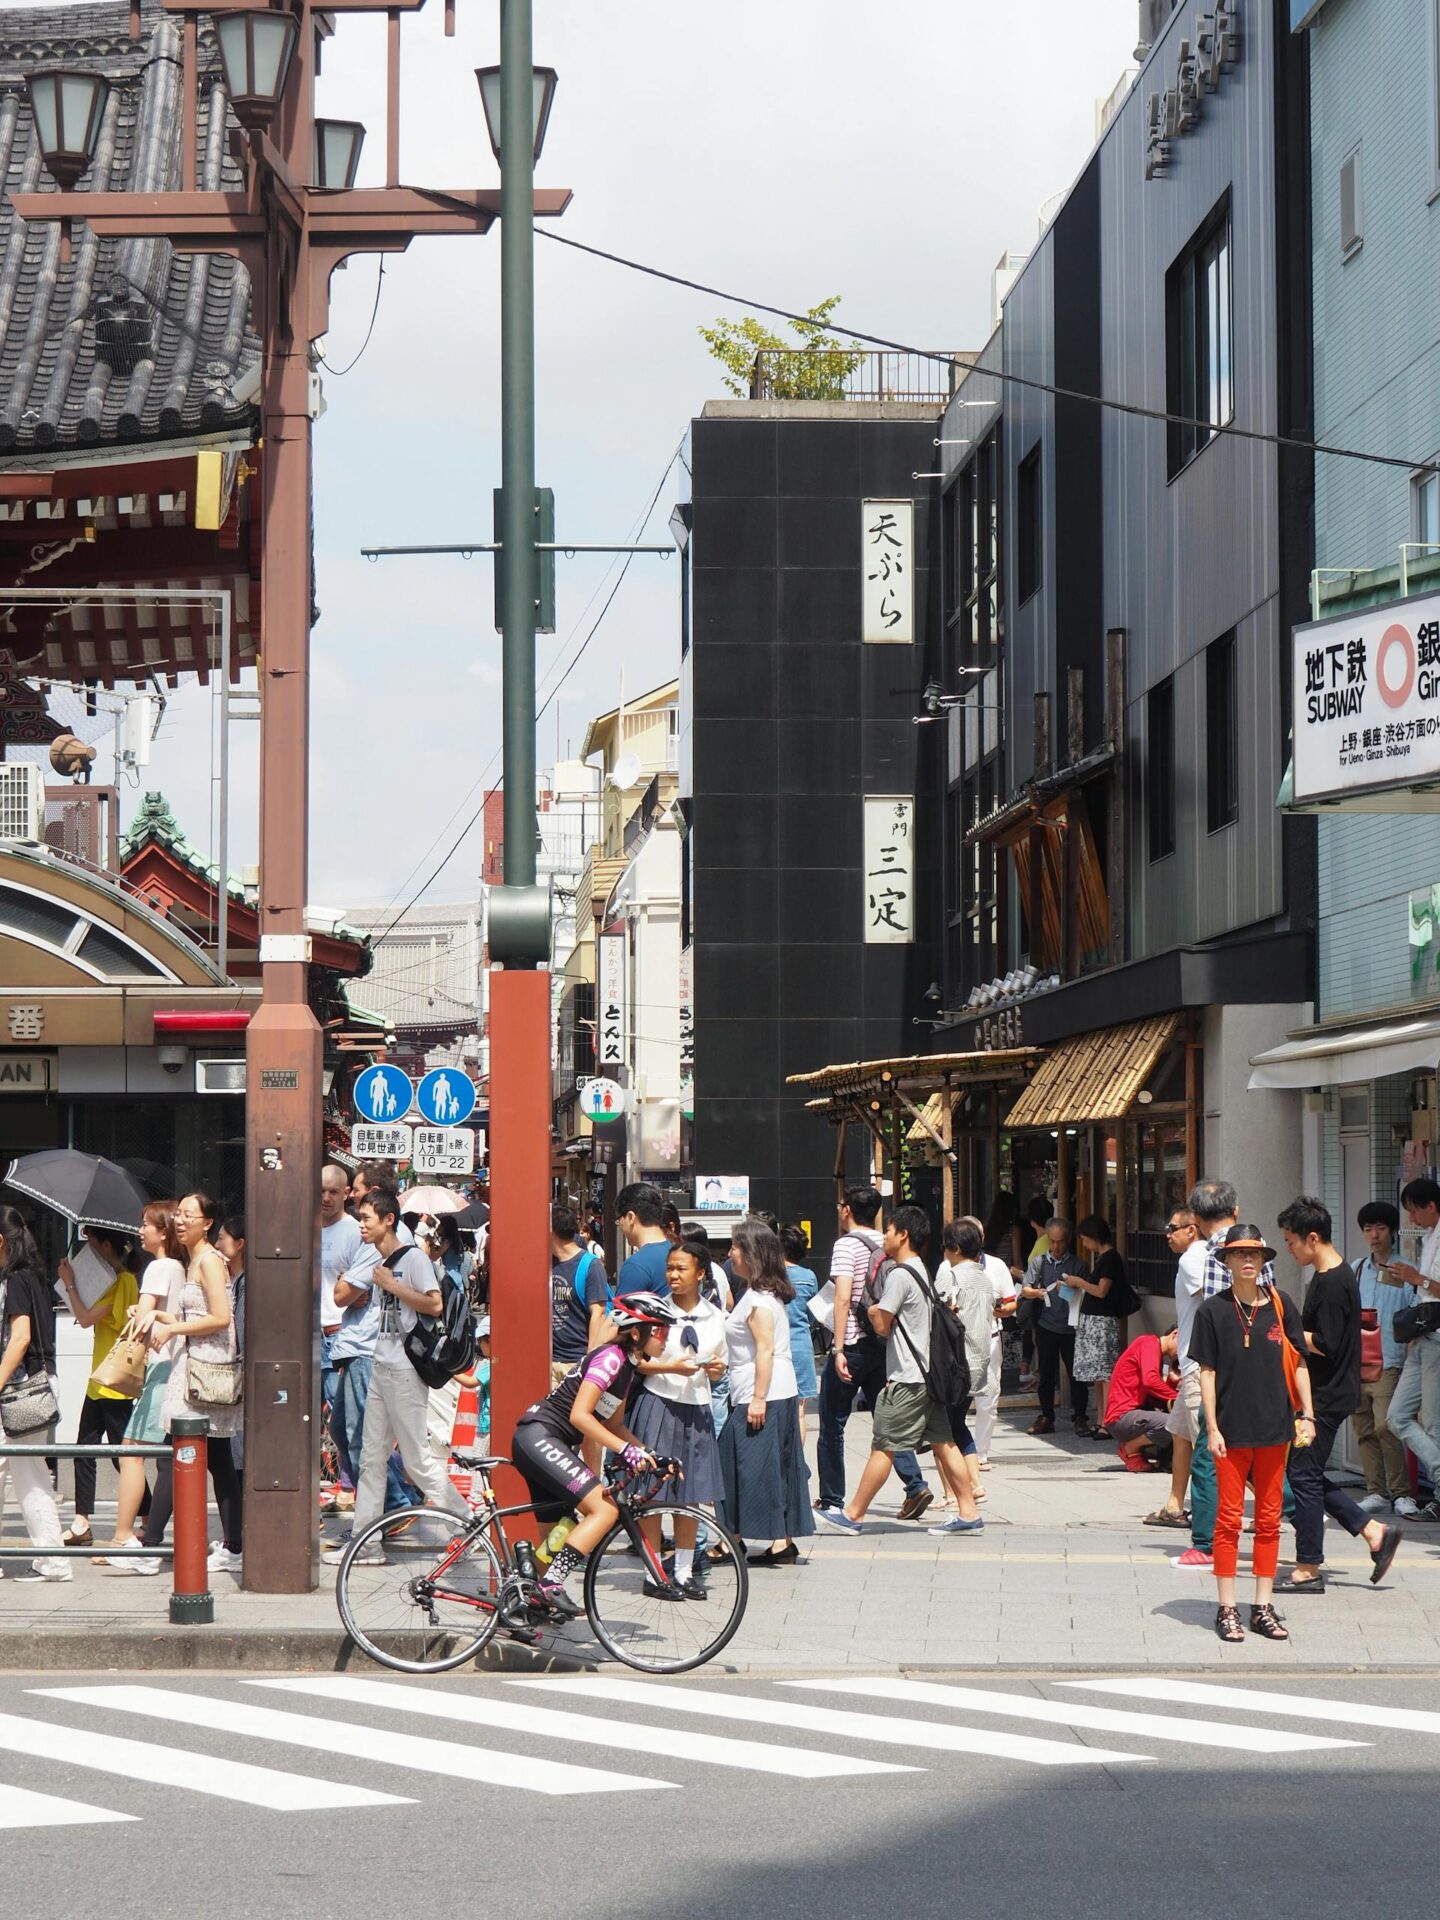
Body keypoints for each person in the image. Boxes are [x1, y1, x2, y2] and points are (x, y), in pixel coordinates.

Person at [819, 1205, 982, 1539]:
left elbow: (882, 1326)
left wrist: (876, 1310)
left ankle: (853, 1513)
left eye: (890, 1231)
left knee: (884, 1444)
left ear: (903, 1235)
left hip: (908, 1377)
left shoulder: (899, 1274)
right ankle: (969, 1512)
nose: (885, 1237)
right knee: (945, 1442)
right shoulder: (922, 1268)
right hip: (927, 1373)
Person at [323, 1186, 468, 1561]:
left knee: (417, 1460)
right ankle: (367, 1543)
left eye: (367, 1219)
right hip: (381, 1366)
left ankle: (466, 1522)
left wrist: (393, 1286)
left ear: (389, 1220)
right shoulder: (377, 1259)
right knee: (371, 1458)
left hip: (406, 1372)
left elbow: (434, 1305)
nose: (361, 1226)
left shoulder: (414, 1259)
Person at [512, 1292, 677, 1613]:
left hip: (546, 1441)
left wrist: (652, 1455)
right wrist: (627, 1452)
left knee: (556, 1535)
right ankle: (551, 1585)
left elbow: (615, 1426)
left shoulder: (627, 1367)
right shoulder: (611, 1358)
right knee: (604, 1509)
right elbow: (580, 1416)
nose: (665, 1338)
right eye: (660, 1331)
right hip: (540, 1436)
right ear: (635, 1332)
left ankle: (525, 1602)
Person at [1190, 1226, 1314, 1643]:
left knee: (1269, 1520)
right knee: (1227, 1520)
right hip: (1230, 1429)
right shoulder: (1212, 1311)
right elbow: (1206, 1371)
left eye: (1255, 1254)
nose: (1248, 1260)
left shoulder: (1281, 1305)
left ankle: (1261, 1606)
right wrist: (1210, 1425)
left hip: (1275, 1428)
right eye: (1239, 1253)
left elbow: (1298, 1363)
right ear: (1225, 1261)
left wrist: (1308, 1415)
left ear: (1264, 1261)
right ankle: (1227, 1608)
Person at [113, 1192, 245, 1577]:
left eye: (190, 1215)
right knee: (218, 1461)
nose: (182, 1221)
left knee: (179, 1453)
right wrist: (155, 1314)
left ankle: (151, 1546)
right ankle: (232, 1545)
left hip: (206, 1371)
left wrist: (173, 1327)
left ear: (207, 1223)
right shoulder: (195, 1262)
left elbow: (222, 1318)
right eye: (180, 1215)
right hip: (200, 1370)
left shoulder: (209, 1263)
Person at [1278, 1196, 1402, 1595]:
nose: (1290, 1249)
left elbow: (1328, 1342)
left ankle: (1308, 1566)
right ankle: (1373, 1531)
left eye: (1292, 1241)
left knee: (1302, 1475)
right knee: (1306, 1471)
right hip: (1329, 1393)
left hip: (1326, 1397)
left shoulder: (1331, 1282)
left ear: (1312, 1238)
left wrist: (1287, 1333)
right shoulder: (1334, 1271)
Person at [815, 1185, 931, 1522]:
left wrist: (837, 1348)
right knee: (890, 1423)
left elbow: (842, 1298)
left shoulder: (846, 1245)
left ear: (847, 1210)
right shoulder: (887, 1241)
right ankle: (914, 1484)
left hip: (852, 1343)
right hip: (882, 1343)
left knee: (833, 1424)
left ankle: (832, 1499)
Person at [628, 1240, 726, 1595]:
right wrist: (671, 1366)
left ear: (700, 1273)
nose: (673, 1275)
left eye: (681, 1269)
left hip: (697, 1408)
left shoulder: (716, 1317)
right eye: (670, 1268)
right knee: (652, 1494)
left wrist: (715, 1370)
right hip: (659, 1403)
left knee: (690, 1494)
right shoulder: (655, 1313)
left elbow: (719, 1366)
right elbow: (636, 1360)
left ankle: (683, 1573)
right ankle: (654, 1573)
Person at [1173, 1180, 1260, 1572]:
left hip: (1213, 1369)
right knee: (1257, 1456)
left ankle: (1206, 1542)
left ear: (1194, 1217)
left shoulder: (1206, 1255)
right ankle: (1316, 1507)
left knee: (1211, 1454)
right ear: (1236, 1209)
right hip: (1252, 1365)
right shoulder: (1258, 1249)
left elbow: (1215, 1314)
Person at [718, 1219, 813, 1563]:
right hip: (777, 1390)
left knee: (738, 1463)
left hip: (761, 1393)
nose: (730, 1253)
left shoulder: (758, 1300)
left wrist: (757, 1398)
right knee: (776, 1465)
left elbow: (765, 1349)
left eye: (734, 1247)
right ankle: (779, 1541)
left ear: (751, 1253)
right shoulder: (763, 1294)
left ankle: (733, 1537)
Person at [98, 1202, 186, 1559]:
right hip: (174, 1368)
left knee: (131, 1452)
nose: (140, 1231)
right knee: (166, 1458)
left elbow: (141, 1324)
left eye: (145, 1225)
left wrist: (137, 1311)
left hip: (160, 1370)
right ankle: (145, 1532)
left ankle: (123, 1536)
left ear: (162, 1232)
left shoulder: (158, 1268)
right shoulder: (179, 1267)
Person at [57, 1227, 147, 1548]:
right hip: (101, 1381)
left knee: (119, 1455)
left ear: (106, 1244)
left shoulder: (121, 1282)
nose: (89, 1250)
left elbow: (84, 1317)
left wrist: (68, 1282)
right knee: (87, 1449)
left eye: (92, 1243)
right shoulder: (121, 1280)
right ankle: (82, 1521)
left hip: (113, 1384)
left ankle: (149, 1516)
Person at [0, 1206, 67, 1581]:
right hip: (36, 1384)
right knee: (29, 1473)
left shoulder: (17, 1279)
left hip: (19, 1390)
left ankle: (53, 1560)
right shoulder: (34, 1277)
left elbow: (21, 1338)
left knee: (29, 1474)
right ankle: (50, 1558)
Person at [1378, 1177, 1440, 1519]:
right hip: (1423, 1334)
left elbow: (1433, 1287)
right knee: (1396, 1417)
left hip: (1436, 1337)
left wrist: (1417, 1279)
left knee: (1431, 1423)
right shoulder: (1431, 1236)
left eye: (1415, 1210)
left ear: (1431, 1206)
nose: (1412, 1218)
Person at [1352, 1200, 1417, 1516]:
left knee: (1386, 1427)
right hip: (1358, 1362)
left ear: (1392, 1231)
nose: (1374, 1235)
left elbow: (1416, 1317)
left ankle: (1402, 1493)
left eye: (1380, 1228)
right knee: (1364, 1428)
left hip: (1391, 1362)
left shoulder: (1404, 1271)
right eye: (1368, 1229)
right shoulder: (1357, 1269)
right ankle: (1375, 1490)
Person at [935, 1218, 998, 1508]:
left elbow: (937, 1313)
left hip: (952, 1364)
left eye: (947, 1246)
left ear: (955, 1248)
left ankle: (955, 1493)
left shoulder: (953, 1275)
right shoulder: (985, 1278)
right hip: (976, 1362)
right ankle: (975, 1484)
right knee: (957, 1424)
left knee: (942, 1429)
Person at [1148, 1209, 1199, 1526]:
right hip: (1192, 1365)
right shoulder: (1193, 1258)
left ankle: (1277, 1503)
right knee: (1180, 1433)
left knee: (1213, 1446)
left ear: (1193, 1229)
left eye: (1173, 1228)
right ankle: (1174, 1505)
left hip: (1200, 1367)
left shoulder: (1194, 1259)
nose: (1168, 1234)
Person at [1019, 1218, 1088, 1435]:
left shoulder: (1078, 1265)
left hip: (1071, 1327)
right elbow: (1025, 1289)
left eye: (1061, 1242)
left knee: (1076, 1374)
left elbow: (1085, 1294)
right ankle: (1047, 1416)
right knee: (1046, 1374)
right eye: (1053, 1241)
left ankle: (1080, 1416)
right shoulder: (1039, 1263)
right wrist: (1038, 1293)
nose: (1056, 1247)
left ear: (1068, 1241)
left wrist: (1070, 1288)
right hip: (1045, 1325)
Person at [319, 1161, 361, 1510]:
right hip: (306, 1335)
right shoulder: (307, 1228)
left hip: (337, 1335)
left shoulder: (353, 1232)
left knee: (344, 1422)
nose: (326, 1198)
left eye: (334, 1191)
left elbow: (358, 1288)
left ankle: (351, 1487)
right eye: (321, 1191)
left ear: (347, 1194)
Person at [960, 1213, 1016, 1468]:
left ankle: (981, 1453)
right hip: (958, 1341)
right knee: (955, 1401)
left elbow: (1011, 1300)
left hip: (989, 1338)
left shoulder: (996, 1266)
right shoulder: (947, 1266)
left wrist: (1002, 1309)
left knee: (988, 1400)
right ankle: (958, 1449)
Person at [1071, 1216, 1130, 1439]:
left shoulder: (1110, 1259)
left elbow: (1101, 1291)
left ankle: (1108, 1421)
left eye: (1086, 1239)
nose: (1085, 1244)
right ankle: (1100, 1419)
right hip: (1094, 1322)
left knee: (1105, 1372)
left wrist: (1078, 1282)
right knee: (1098, 1373)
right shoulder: (1104, 1258)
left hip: (1102, 1323)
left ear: (1095, 1237)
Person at [550, 1202, 611, 1385]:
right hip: (550, 1360)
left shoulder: (590, 1266)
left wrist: (588, 1363)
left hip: (576, 1361)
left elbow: (598, 1314)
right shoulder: (546, 1263)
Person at [1107, 1326, 1179, 1470]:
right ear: (1175, 1334)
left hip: (1132, 1415)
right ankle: (1130, 1447)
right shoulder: (1148, 1343)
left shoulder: (1154, 1352)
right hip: (1122, 1416)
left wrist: (1172, 1381)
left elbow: (1153, 1392)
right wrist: (1179, 1398)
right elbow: (1150, 1381)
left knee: (1177, 1420)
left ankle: (1137, 1454)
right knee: (1174, 1423)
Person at [779, 1223, 819, 1436]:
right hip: (802, 1344)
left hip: (776, 1347)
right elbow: (813, 1312)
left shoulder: (771, 1275)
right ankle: (798, 1464)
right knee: (799, 1412)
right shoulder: (809, 1277)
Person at [217, 1213, 246, 1479]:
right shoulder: (235, 1282)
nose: (216, 1245)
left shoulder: (246, 1283)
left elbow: (242, 1335)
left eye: (222, 1238)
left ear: (240, 1244)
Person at [614, 1182, 673, 1297]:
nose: (620, 1225)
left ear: (631, 1217)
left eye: (619, 1219)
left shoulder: (637, 1264)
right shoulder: (681, 1254)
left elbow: (622, 1313)